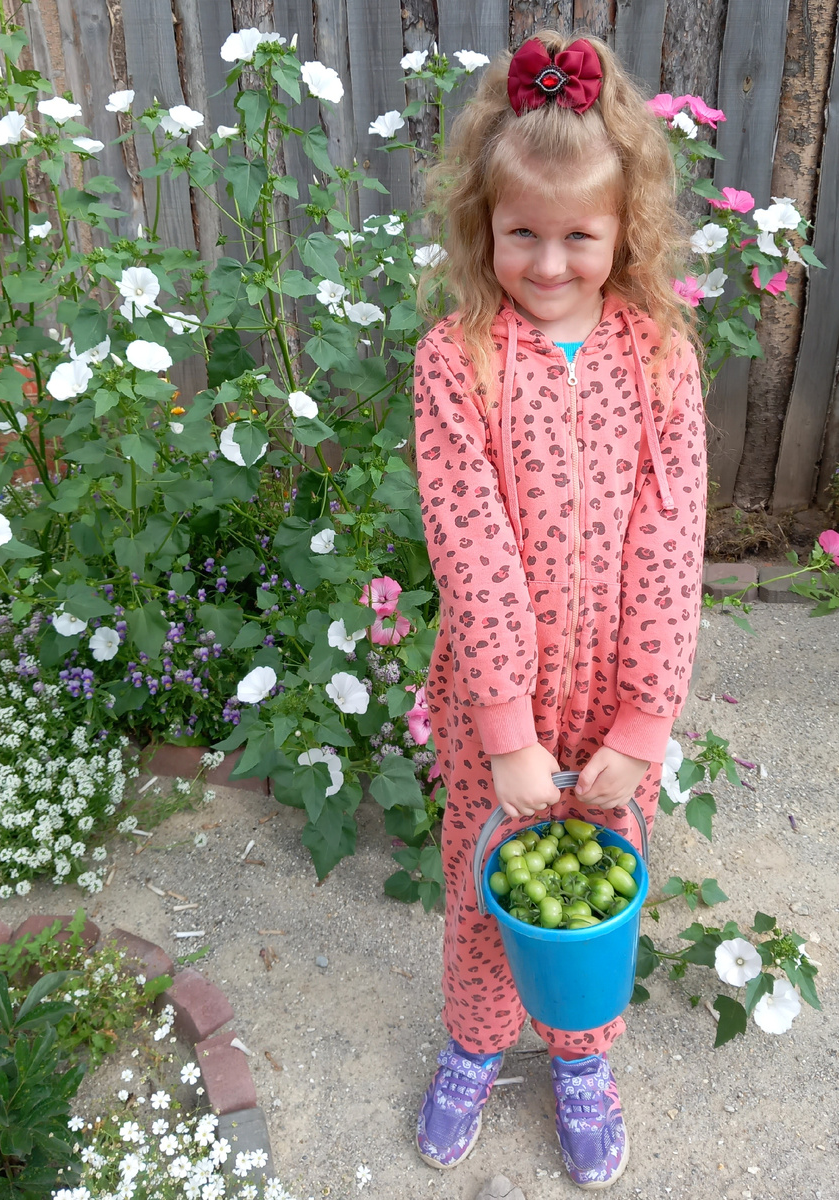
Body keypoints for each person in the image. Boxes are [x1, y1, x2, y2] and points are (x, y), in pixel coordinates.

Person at [412, 30, 707, 1190]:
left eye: (577, 234)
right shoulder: (458, 361)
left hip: (610, 700)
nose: (546, 261)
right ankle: (478, 1046)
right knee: (487, 890)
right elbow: (469, 550)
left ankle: (580, 1059)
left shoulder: (659, 358)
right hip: (505, 709)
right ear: (483, 224)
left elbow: (671, 541)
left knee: (596, 903)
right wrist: (508, 734)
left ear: (623, 228)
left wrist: (642, 725)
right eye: (521, 231)